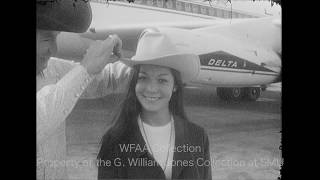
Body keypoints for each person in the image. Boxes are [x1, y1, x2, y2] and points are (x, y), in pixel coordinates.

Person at [97, 29, 212, 179]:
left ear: (175, 86)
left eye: (162, 80)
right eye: (143, 78)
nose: (151, 89)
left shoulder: (198, 137)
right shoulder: (114, 141)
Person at [37, 0, 131, 179]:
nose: (54, 49)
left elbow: (106, 79)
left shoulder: (51, 70)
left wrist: (149, 70)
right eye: (47, 38)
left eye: (56, 38)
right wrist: (86, 69)